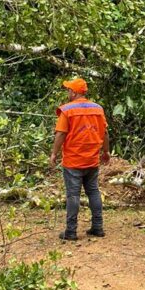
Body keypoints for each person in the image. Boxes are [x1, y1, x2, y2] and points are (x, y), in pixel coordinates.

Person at [49, 77, 110, 241]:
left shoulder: (67, 110)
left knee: (73, 195)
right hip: (92, 159)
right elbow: (104, 132)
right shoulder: (97, 109)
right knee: (93, 192)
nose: (67, 92)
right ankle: (98, 227)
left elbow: (60, 133)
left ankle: (71, 231)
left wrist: (54, 153)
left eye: (69, 90)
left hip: (73, 161)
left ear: (74, 92)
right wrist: (106, 152)